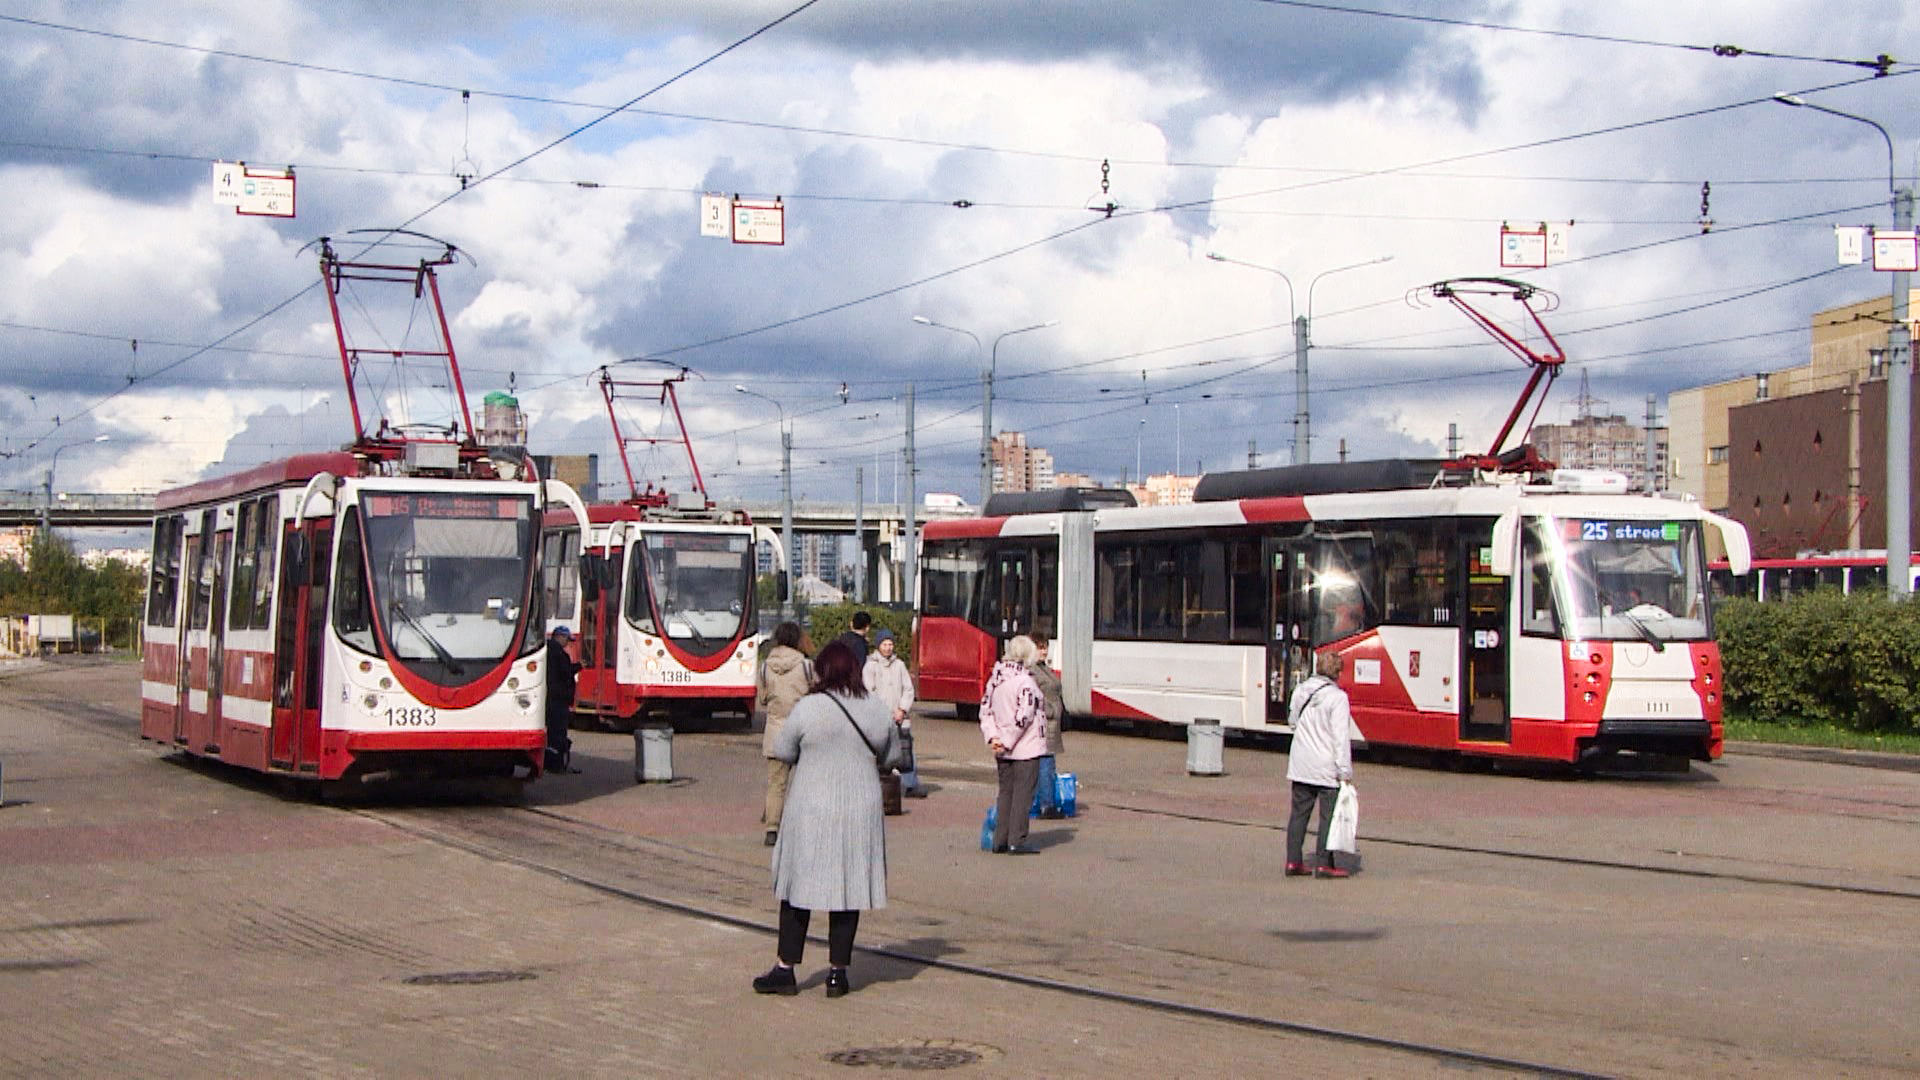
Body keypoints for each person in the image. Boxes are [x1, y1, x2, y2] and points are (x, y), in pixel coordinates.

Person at [753, 640, 901, 999]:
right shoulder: (876, 708)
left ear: (821, 670)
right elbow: (892, 753)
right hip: (859, 810)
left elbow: (784, 750)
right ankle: (838, 974)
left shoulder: (809, 708)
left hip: (811, 809)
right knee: (847, 889)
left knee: (796, 888)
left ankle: (785, 969)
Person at [1285, 650, 1355, 879]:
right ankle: (1324, 863)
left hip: (1300, 763)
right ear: (1337, 672)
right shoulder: (1338, 698)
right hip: (1326, 767)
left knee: (1298, 815)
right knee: (1328, 817)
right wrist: (1345, 771)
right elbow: (1340, 737)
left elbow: (1292, 722)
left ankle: (1293, 861)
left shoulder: (1300, 691)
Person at [979, 634, 1047, 854]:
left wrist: (994, 738)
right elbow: (1024, 716)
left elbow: (985, 711)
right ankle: (1017, 840)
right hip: (1026, 748)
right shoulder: (1025, 682)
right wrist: (1007, 741)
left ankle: (1001, 838)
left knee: (1006, 792)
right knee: (1023, 794)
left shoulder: (995, 679)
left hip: (1001, 748)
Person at [756, 622, 813, 847]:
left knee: (776, 784)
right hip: (803, 730)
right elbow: (817, 692)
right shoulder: (807, 666)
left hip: (775, 731)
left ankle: (772, 828)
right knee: (805, 782)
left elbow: (762, 698)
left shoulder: (765, 667)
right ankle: (803, 827)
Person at [863, 629, 925, 798]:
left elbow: (908, 689)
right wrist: (883, 712)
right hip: (879, 718)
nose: (888, 648)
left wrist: (902, 709)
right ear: (879, 646)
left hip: (900, 718)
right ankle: (875, 784)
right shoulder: (870, 666)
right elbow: (868, 692)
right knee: (878, 751)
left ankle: (910, 784)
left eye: (890, 644)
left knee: (906, 749)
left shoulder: (899, 665)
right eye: (885, 644)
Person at [1026, 633, 1066, 819]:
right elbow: (1034, 697)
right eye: (1040, 647)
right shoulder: (1031, 670)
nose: (1044, 651)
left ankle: (1040, 802)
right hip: (1043, 723)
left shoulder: (1043, 668)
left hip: (1051, 724)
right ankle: (1046, 805)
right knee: (1045, 764)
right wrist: (1051, 711)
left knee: (1046, 764)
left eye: (1045, 647)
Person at [544, 627, 581, 773]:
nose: (567, 643)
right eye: (566, 639)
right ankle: (556, 764)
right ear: (559, 637)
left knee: (553, 732)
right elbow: (564, 671)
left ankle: (552, 762)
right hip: (559, 699)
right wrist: (578, 666)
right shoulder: (558, 653)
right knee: (558, 732)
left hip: (552, 697)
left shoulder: (548, 650)